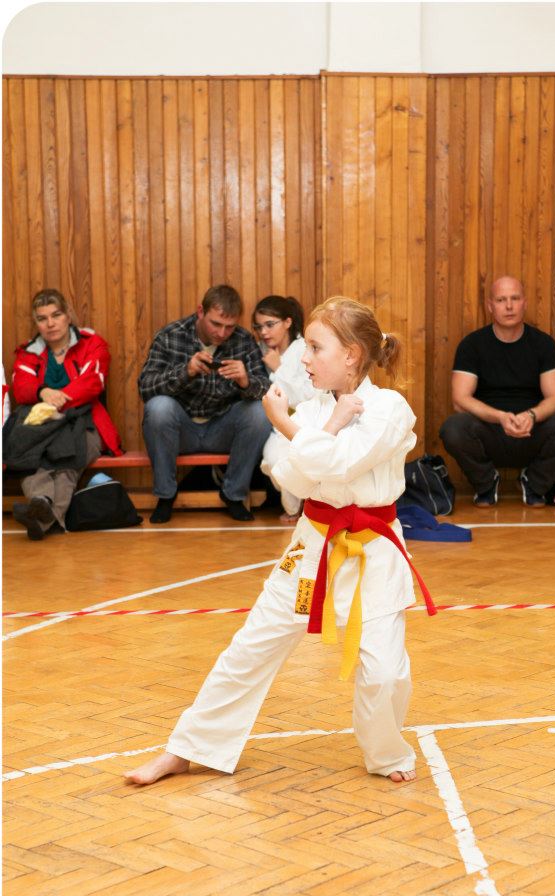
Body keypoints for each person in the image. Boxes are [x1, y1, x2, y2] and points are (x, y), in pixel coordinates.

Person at [125, 296, 436, 788]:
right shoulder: (314, 410)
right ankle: (186, 748)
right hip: (311, 548)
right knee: (251, 647)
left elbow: (339, 465)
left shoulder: (389, 409)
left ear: (352, 354)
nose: (304, 359)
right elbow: (288, 476)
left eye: (315, 348)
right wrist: (322, 428)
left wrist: (287, 425)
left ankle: (384, 752)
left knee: (384, 671)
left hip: (372, 552)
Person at [439, 276, 555, 507]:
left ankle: (535, 483)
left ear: (524, 303)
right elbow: (460, 400)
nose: (509, 306)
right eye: (501, 300)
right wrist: (500, 417)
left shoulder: (544, 344)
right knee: (453, 428)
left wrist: (531, 416)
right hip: (490, 430)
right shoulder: (472, 345)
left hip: (533, 430)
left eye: (515, 298)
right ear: (490, 306)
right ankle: (486, 484)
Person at [138, 285, 272, 523]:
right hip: (181, 431)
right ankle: (166, 495)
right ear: (200, 311)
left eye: (229, 327)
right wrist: (186, 372)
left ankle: (233, 494)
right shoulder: (170, 336)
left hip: (223, 429)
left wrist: (246, 381)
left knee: (260, 411)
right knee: (159, 407)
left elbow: (267, 391)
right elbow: (145, 388)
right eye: (216, 324)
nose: (222, 333)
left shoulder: (243, 340)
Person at [8, 288, 122, 540]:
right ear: (36, 323)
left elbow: (93, 382)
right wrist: (42, 391)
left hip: (85, 421)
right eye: (42, 318)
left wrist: (58, 398)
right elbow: (22, 386)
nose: (50, 324)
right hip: (42, 424)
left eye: (56, 315)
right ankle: (44, 505)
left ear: (68, 316)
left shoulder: (92, 344)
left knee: (70, 459)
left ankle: (43, 516)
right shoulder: (28, 352)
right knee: (27, 455)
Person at [253, 294, 319, 523]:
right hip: (277, 424)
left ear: (288, 322)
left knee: (299, 458)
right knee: (273, 461)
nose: (264, 332)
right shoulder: (263, 351)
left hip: (305, 421)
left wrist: (278, 368)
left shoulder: (303, 349)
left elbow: (308, 394)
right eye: (259, 327)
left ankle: (307, 505)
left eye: (270, 325)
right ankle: (294, 506)